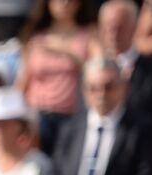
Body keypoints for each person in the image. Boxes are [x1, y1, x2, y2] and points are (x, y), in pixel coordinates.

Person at [16, 0, 95, 150]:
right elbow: (23, 79)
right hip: (38, 115)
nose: (64, 4)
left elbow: (99, 68)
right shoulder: (35, 37)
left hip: (71, 115)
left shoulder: (88, 35)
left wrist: (67, 53)